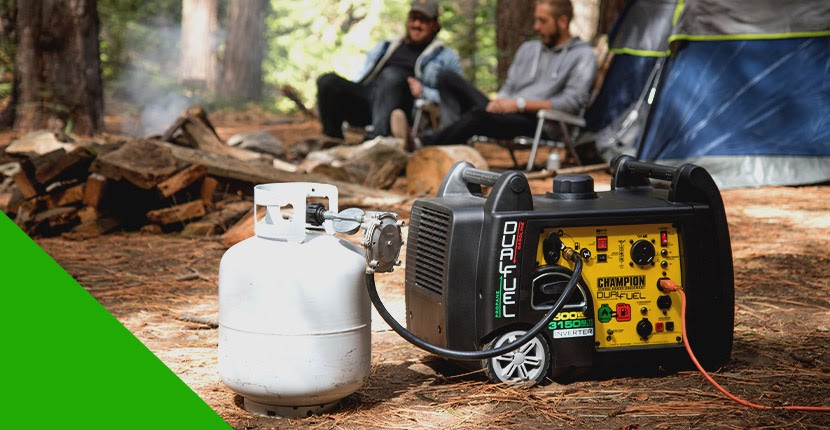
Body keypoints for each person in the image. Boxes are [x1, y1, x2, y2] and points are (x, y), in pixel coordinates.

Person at [420, 0, 596, 147]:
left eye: (543, 21)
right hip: (508, 114)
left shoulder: (582, 55)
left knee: (477, 117)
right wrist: (500, 103)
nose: (536, 26)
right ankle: (449, 145)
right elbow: (510, 85)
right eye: (535, 20)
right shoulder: (529, 49)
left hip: (541, 124)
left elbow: (571, 103)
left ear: (563, 22)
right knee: (447, 77)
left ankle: (423, 144)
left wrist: (520, 104)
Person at [315, 0, 462, 142]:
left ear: (435, 25)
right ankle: (332, 139)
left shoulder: (446, 57)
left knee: (392, 75)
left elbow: (457, 100)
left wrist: (423, 92)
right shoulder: (387, 45)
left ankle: (378, 139)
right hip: (371, 99)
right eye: (413, 19)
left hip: (403, 109)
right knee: (327, 81)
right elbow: (361, 77)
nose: (416, 24)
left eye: (423, 21)